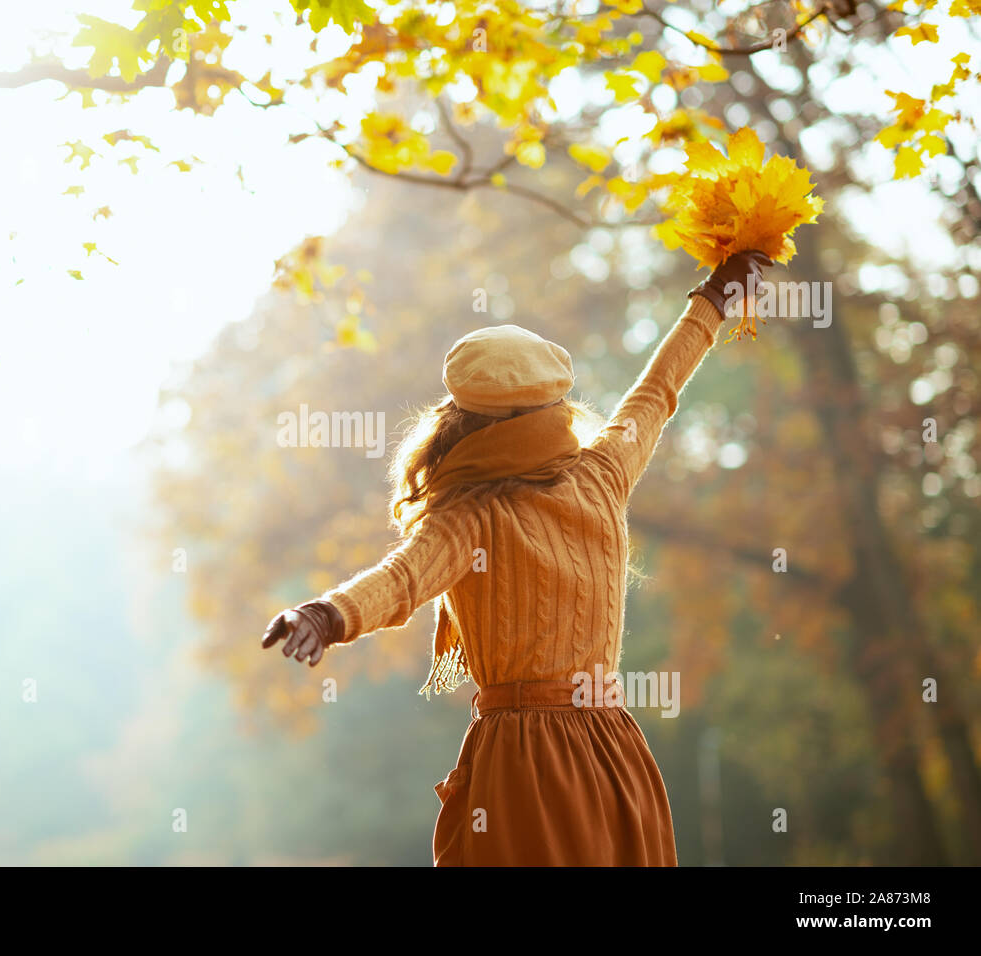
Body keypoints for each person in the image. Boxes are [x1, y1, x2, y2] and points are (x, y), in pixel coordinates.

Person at [262, 251, 773, 866]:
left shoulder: (539, 493)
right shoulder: (572, 484)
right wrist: (330, 613)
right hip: (585, 754)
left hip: (558, 756)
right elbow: (402, 579)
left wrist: (326, 615)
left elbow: (657, 390)